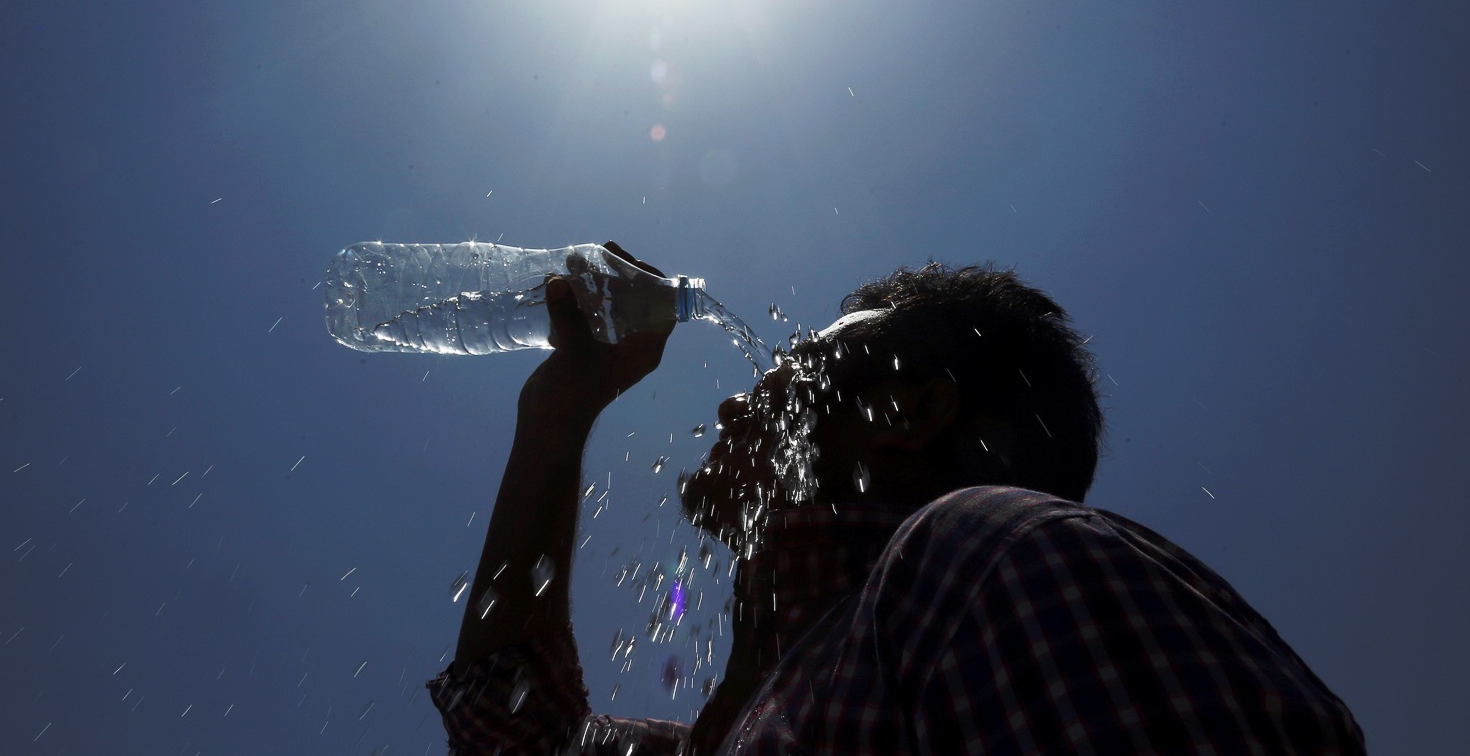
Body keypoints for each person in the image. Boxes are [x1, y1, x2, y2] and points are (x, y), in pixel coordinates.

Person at [428, 244, 1365, 754]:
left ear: (912, 413)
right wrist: (559, 408)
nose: (734, 399)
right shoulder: (767, 712)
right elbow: (513, 733)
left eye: (799, 367)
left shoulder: (991, 561)